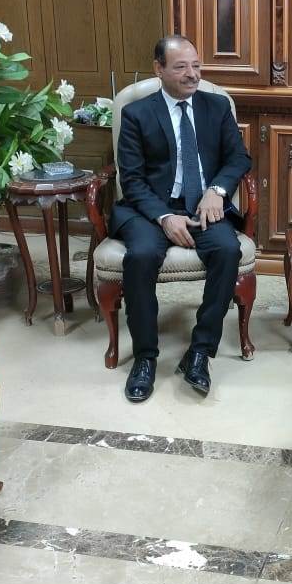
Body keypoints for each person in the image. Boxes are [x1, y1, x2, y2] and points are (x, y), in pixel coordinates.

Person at [109, 35, 251, 403]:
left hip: (203, 205)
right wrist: (163, 216)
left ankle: (200, 353)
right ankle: (145, 358)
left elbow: (238, 158)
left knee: (227, 251)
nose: (193, 75)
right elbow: (132, 180)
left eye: (196, 66)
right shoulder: (137, 114)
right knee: (140, 256)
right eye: (181, 67)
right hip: (150, 208)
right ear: (159, 69)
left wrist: (217, 190)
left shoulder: (216, 106)